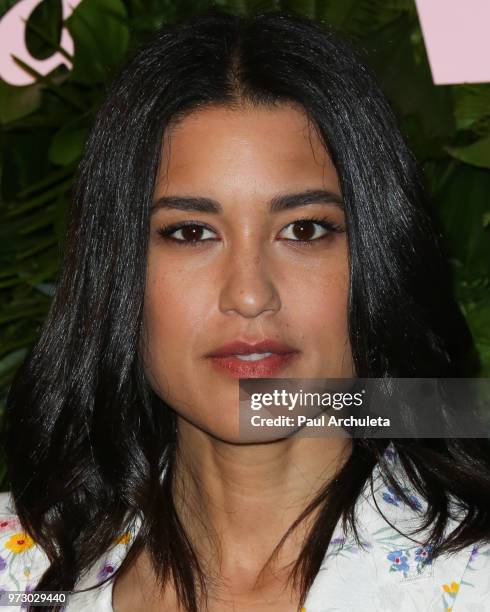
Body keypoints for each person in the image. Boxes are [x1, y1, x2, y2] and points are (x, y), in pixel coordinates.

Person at [1, 8, 490, 612]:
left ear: (378, 259)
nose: (252, 294)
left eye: (304, 229)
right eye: (190, 233)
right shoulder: (21, 574)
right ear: (118, 270)